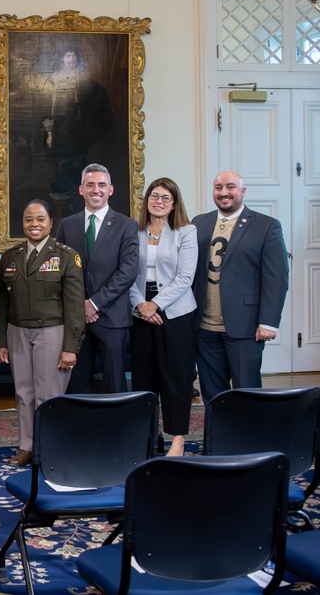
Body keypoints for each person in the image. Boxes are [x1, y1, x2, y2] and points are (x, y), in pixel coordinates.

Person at [0, 200, 86, 467]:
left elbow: (74, 306)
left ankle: (49, 449)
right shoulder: (10, 257)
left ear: (50, 223)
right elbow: (2, 304)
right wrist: (1, 341)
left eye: (40, 219)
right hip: (17, 331)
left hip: (52, 332)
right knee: (24, 393)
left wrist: (71, 346)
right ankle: (27, 447)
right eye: (29, 219)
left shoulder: (67, 256)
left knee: (48, 394)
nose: (34, 224)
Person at [192, 171, 289, 401]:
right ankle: (218, 437)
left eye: (230, 187)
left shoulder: (266, 226)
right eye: (218, 188)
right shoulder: (199, 223)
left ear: (242, 191)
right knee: (213, 393)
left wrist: (269, 322)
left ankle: (249, 437)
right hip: (204, 328)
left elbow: (277, 278)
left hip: (245, 327)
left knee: (247, 392)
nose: (224, 193)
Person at [128, 178, 198, 457]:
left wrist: (155, 305)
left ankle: (177, 440)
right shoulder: (135, 231)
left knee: (176, 378)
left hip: (176, 312)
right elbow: (127, 274)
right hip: (140, 309)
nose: (159, 201)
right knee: (144, 378)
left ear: (174, 204)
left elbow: (185, 278)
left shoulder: (186, 232)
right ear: (146, 200)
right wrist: (141, 306)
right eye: (154, 195)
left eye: (166, 197)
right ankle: (147, 437)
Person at [55, 163, 138, 393]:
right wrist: (79, 306)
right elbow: (59, 269)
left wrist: (94, 304)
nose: (96, 190)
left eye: (102, 185)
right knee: (78, 381)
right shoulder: (67, 225)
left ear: (111, 190)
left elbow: (128, 271)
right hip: (75, 318)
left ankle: (119, 427)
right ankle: (84, 427)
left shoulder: (127, 225)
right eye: (90, 185)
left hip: (111, 317)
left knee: (115, 382)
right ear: (81, 189)